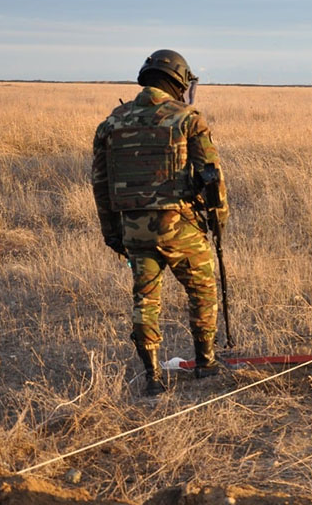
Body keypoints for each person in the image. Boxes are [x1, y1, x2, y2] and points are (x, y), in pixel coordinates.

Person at [91, 49, 229, 396]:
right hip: (179, 226)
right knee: (201, 290)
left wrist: (113, 235)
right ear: (178, 80)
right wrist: (218, 222)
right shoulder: (187, 119)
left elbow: (101, 186)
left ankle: (152, 377)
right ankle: (206, 363)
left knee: (145, 298)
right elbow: (213, 178)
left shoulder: (111, 123)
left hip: (133, 230)